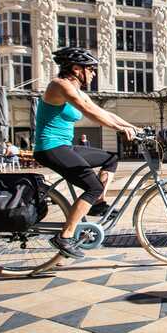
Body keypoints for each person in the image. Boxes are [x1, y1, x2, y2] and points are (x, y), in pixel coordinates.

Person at [33, 47, 138, 259]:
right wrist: (120, 130)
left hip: (65, 146)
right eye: (90, 69)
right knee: (92, 186)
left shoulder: (77, 90)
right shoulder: (59, 85)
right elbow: (89, 112)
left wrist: (134, 127)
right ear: (75, 68)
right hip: (50, 147)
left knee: (111, 158)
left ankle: (97, 204)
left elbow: (102, 111)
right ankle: (65, 236)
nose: (94, 73)